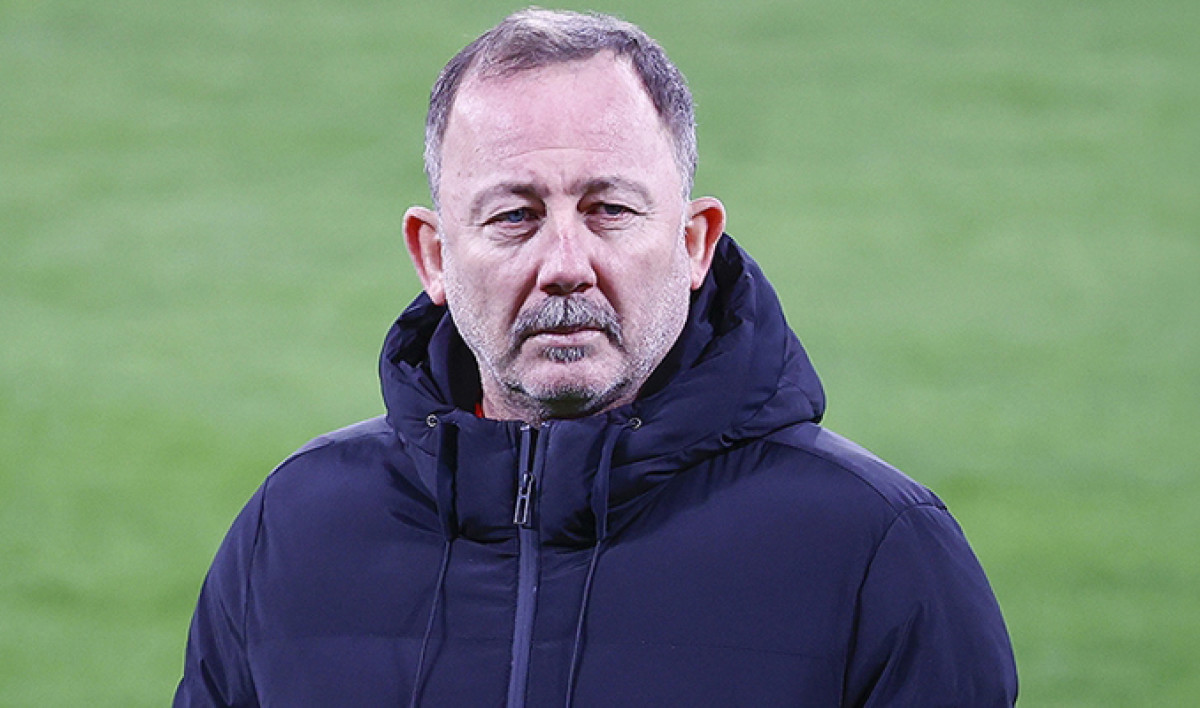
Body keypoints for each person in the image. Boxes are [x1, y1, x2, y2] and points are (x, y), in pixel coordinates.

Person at [175, 8, 1018, 707]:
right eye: (514, 216)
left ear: (694, 242)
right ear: (433, 256)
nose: (565, 262)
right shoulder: (293, 533)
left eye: (609, 209)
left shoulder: (876, 552)